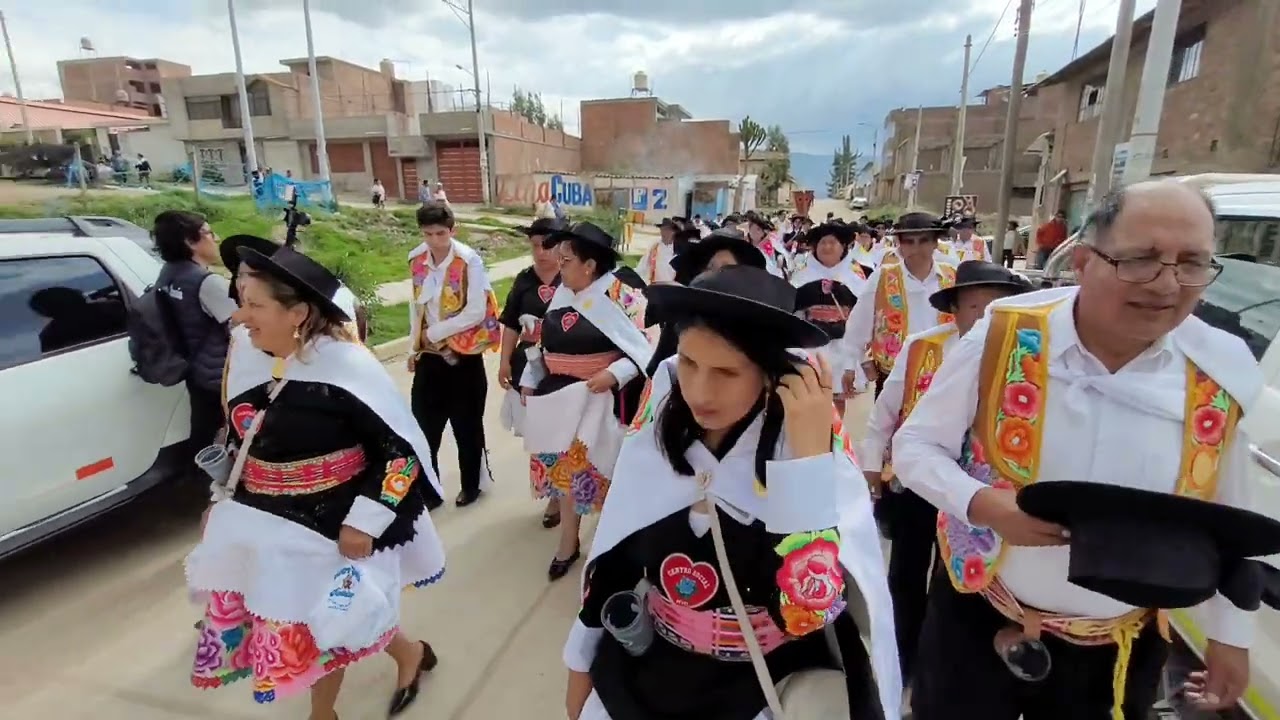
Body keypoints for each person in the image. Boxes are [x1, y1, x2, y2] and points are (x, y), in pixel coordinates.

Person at [893, 181, 1265, 719]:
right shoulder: (1004, 335)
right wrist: (982, 504)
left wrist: (1231, 636)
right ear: (1085, 261)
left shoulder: (1221, 370)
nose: (1166, 284)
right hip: (979, 616)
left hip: (1119, 645)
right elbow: (917, 446)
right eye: (1141, 260)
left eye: (1191, 263)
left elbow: (1232, 519)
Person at [563, 265, 901, 720]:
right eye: (688, 363)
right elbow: (612, 566)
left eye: (726, 371)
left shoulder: (809, 462)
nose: (700, 390)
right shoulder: (655, 445)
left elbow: (805, 614)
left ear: (772, 374)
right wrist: (578, 666)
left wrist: (806, 461)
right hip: (648, 672)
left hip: (763, 686)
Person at [186, 247, 446, 718]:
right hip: (265, 525)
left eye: (255, 305)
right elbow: (245, 439)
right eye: (241, 302)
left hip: (329, 528)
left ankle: (322, 714)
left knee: (320, 628)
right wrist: (223, 499)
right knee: (324, 617)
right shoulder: (255, 356)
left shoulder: (346, 368)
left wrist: (365, 521)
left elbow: (399, 453)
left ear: (299, 313)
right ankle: (409, 654)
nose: (240, 318)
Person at [861, 261, 1032, 695]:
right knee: (907, 569)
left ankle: (942, 656)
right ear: (954, 309)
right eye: (974, 305)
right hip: (920, 482)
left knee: (960, 580)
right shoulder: (923, 347)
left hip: (983, 491)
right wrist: (870, 467)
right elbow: (884, 414)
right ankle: (900, 656)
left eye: (997, 304)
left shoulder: (1027, 357)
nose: (985, 314)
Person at [520, 221, 652, 581]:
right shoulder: (561, 293)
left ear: (589, 265)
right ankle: (568, 541)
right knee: (564, 473)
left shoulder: (623, 293)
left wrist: (616, 374)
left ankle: (611, 544)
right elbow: (545, 345)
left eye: (565, 260)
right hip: (558, 399)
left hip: (600, 399)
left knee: (596, 472)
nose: (558, 267)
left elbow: (645, 343)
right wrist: (531, 377)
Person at [407, 201, 502, 508]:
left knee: (466, 425)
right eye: (427, 234)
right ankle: (429, 489)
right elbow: (417, 307)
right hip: (430, 356)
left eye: (440, 234)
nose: (434, 241)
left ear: (452, 230)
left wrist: (435, 334)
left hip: (463, 355)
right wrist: (415, 346)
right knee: (423, 427)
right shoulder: (416, 259)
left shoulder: (468, 260)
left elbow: (475, 311)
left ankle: (470, 485)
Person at [152, 210, 237, 479]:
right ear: (191, 242)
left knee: (202, 427)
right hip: (219, 374)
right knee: (231, 430)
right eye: (210, 233)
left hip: (194, 368)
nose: (216, 238)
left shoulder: (168, 274)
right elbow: (242, 323)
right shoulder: (207, 282)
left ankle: (200, 478)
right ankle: (223, 484)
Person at [840, 212, 957, 400]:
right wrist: (851, 364)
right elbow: (859, 324)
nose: (916, 248)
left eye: (924, 241)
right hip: (894, 375)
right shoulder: (883, 277)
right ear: (900, 245)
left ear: (935, 243)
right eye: (909, 242)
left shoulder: (952, 277)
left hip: (943, 376)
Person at [498, 217, 565, 527]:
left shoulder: (573, 278)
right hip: (527, 368)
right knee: (538, 434)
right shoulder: (524, 280)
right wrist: (504, 361)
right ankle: (550, 490)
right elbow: (511, 323)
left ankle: (565, 493)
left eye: (547, 245)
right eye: (535, 245)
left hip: (564, 369)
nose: (541, 252)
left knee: (564, 432)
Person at [646, 227, 766, 376]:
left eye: (727, 268)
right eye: (711, 268)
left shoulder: (758, 328)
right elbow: (656, 371)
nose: (716, 274)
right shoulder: (682, 319)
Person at [789, 221, 868, 415]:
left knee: (838, 397)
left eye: (833, 242)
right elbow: (792, 310)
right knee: (811, 396)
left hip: (843, 343)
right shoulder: (802, 273)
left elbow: (865, 313)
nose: (827, 247)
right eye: (822, 243)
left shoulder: (856, 274)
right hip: (812, 343)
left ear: (843, 247)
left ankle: (836, 439)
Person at [639, 218, 680, 285]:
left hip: (673, 288)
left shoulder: (678, 249)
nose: (663, 232)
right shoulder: (655, 247)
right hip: (655, 286)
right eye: (662, 229)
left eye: (667, 230)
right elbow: (642, 266)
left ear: (673, 232)